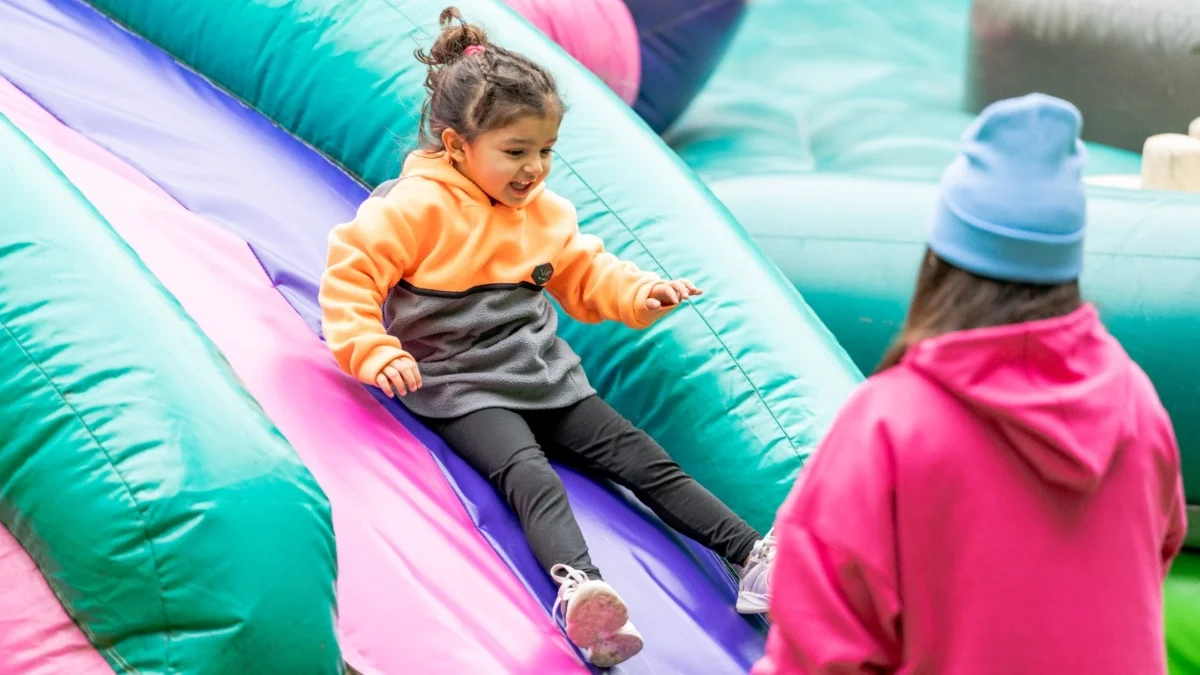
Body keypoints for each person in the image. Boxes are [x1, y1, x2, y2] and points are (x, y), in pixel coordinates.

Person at [318, 6, 774, 668]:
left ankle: (751, 556)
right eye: (515, 152)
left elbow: (587, 271)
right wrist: (375, 348)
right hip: (459, 385)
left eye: (545, 151)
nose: (534, 170)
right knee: (527, 472)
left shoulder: (545, 213)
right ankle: (579, 588)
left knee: (645, 459)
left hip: (543, 375)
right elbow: (350, 275)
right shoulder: (416, 210)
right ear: (455, 148)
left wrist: (639, 291)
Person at [753, 93, 1188, 674]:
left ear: (939, 260)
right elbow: (1154, 552)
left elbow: (817, 648)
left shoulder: (889, 426)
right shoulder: (1134, 402)